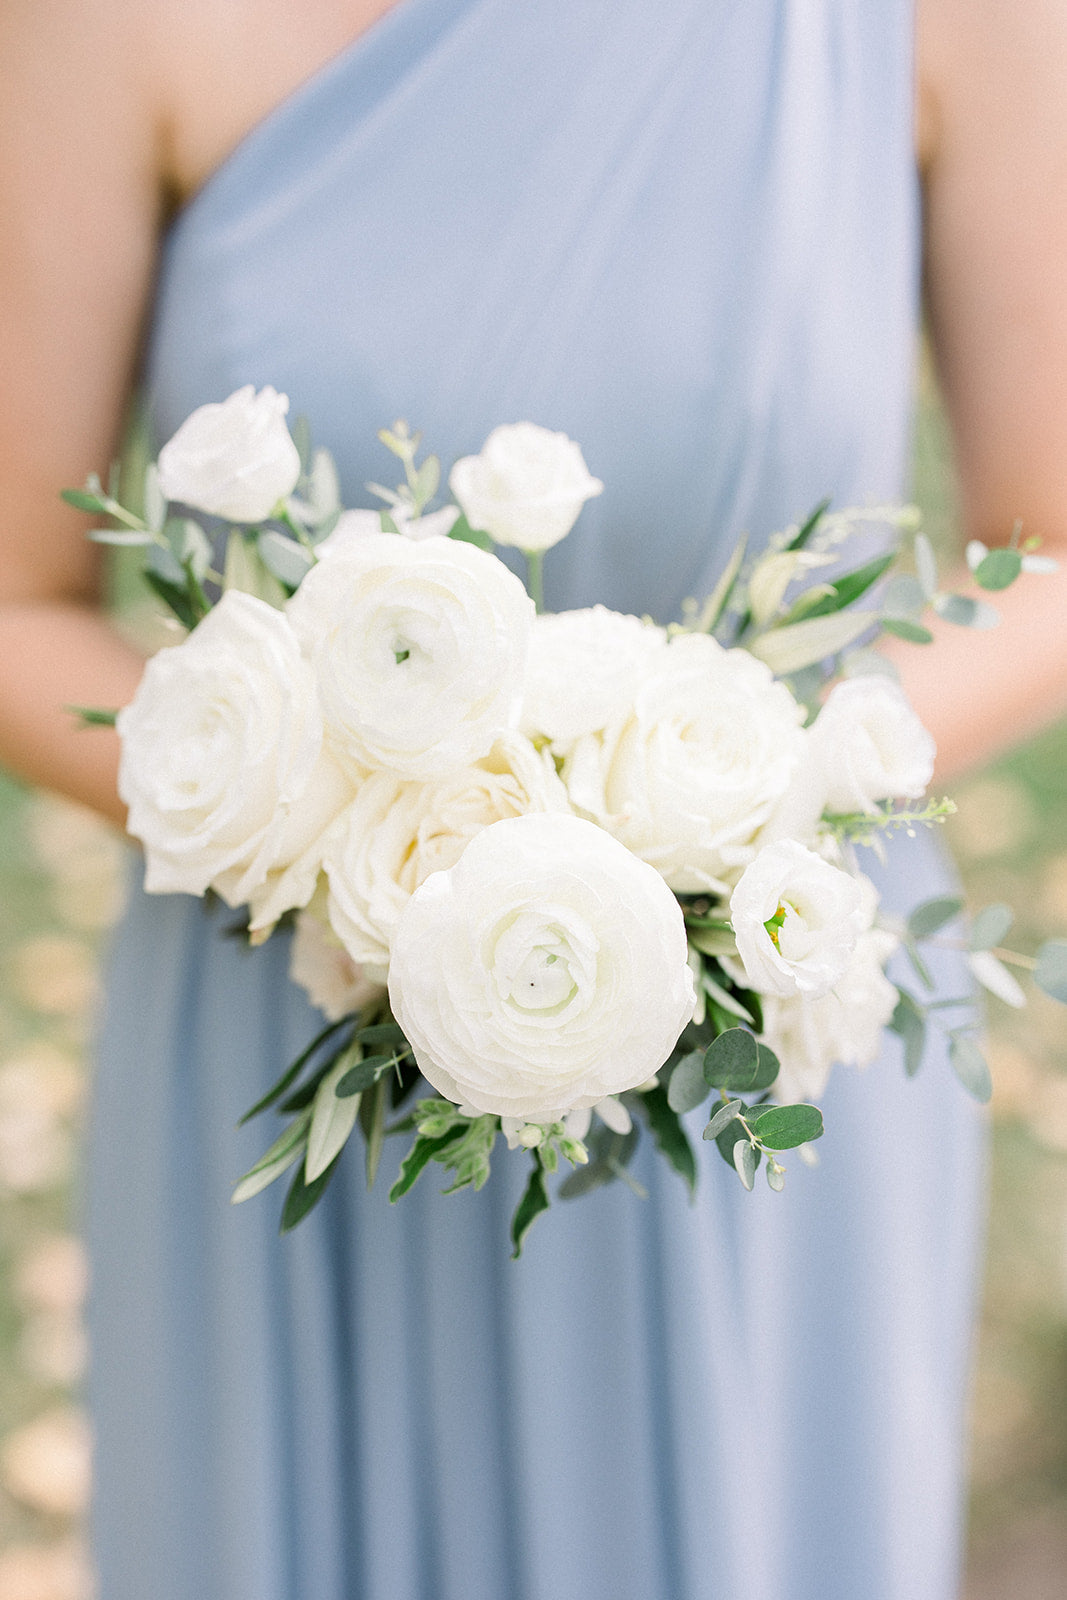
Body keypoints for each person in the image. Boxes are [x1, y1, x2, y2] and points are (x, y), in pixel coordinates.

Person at [1, 1, 1066, 1596]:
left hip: (762, 1011)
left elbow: (1050, 550)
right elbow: (16, 604)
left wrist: (722, 798)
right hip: (295, 995)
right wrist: (343, 830)